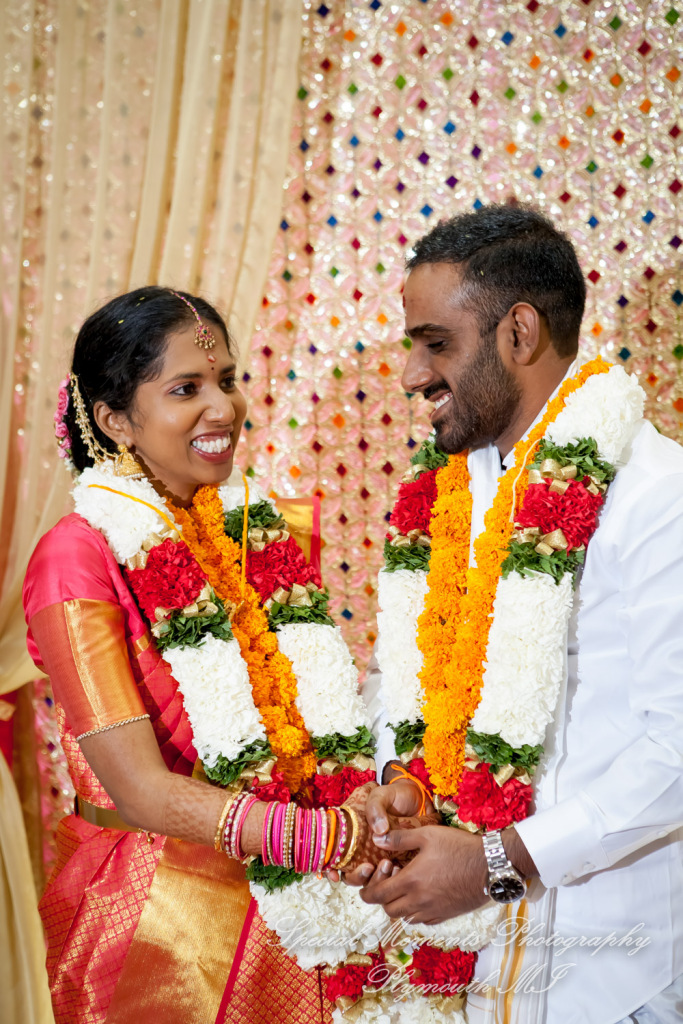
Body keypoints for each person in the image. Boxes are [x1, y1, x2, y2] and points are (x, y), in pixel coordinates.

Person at [350, 205, 683, 1024]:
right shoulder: (450, 497)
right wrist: (399, 785)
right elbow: (416, 680)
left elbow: (676, 746)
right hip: (471, 959)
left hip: (615, 973)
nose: (409, 375)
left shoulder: (657, 497)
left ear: (518, 332)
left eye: (435, 343)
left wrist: (498, 861)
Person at [22, 287, 390, 1024]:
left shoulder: (260, 526)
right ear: (115, 419)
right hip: (166, 919)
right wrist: (325, 837)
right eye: (186, 389)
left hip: (310, 892)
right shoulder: (77, 554)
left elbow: (316, 719)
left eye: (226, 381)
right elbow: (139, 789)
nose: (221, 408)